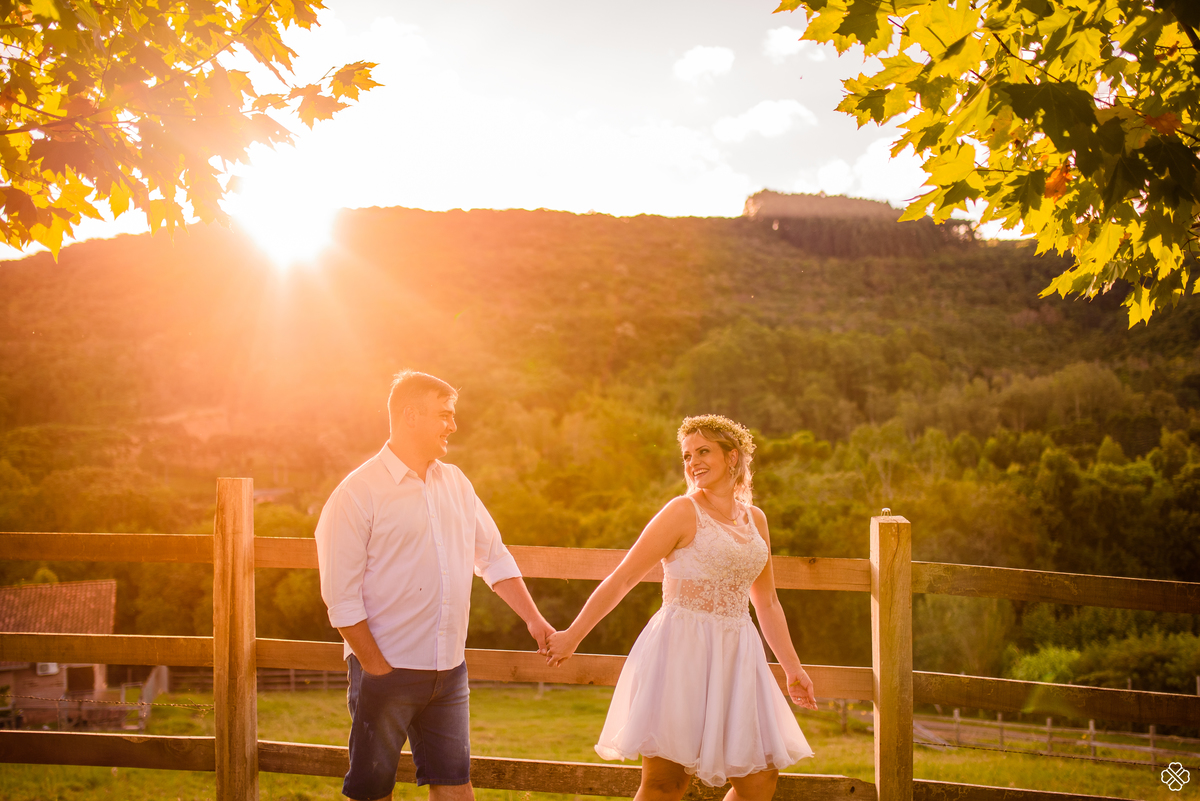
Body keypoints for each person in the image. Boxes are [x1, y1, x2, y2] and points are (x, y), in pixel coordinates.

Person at [544, 414, 817, 801]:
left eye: (703, 451)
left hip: (739, 654)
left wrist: (792, 669)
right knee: (665, 784)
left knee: (759, 781)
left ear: (732, 456)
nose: (693, 462)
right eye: (687, 456)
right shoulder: (681, 512)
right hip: (681, 653)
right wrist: (573, 635)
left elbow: (767, 601)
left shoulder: (756, 519)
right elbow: (623, 578)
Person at [315, 370, 555, 801]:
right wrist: (376, 669)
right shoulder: (356, 494)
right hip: (385, 669)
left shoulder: (457, 484)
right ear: (410, 416)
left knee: (455, 785)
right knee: (373, 791)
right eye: (444, 415)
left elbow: (494, 557)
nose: (453, 425)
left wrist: (534, 619)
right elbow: (341, 599)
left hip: (448, 672)